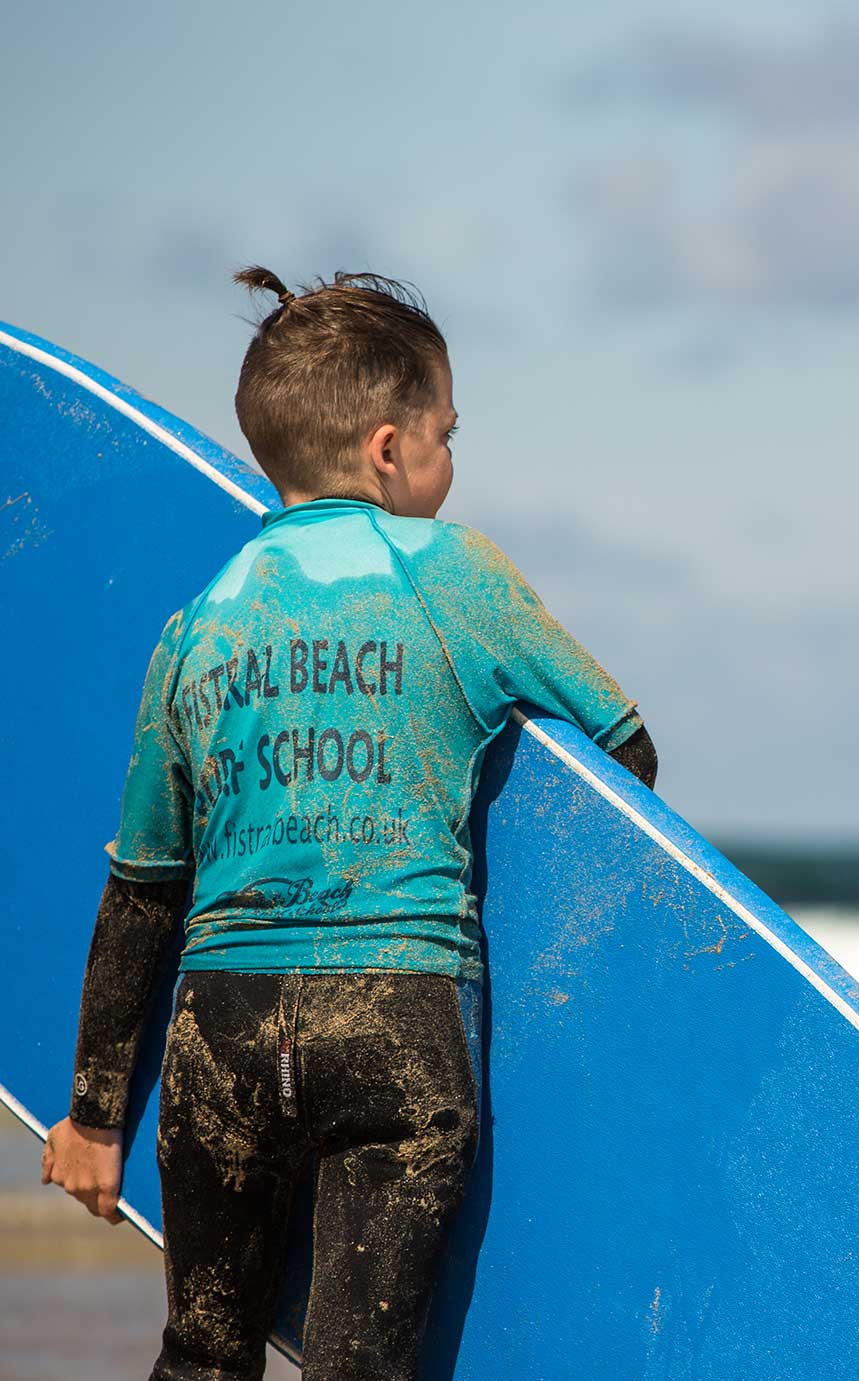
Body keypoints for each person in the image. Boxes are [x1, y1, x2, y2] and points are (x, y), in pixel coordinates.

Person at [39, 268, 659, 1381]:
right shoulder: (453, 573)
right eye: (445, 435)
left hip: (221, 1028)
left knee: (201, 1354)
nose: (450, 462)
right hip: (393, 1020)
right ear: (388, 449)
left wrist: (90, 1116)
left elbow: (144, 890)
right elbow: (623, 757)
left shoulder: (201, 621)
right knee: (359, 1369)